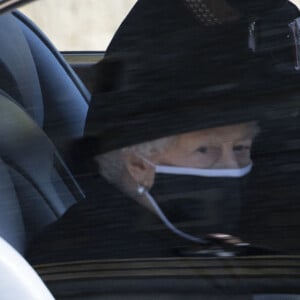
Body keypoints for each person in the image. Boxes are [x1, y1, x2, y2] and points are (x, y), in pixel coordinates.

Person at [26, 0, 300, 263]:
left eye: (241, 149)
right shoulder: (102, 262)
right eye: (206, 150)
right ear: (138, 165)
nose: (231, 168)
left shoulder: (201, 244)